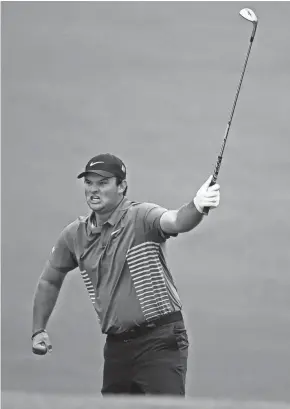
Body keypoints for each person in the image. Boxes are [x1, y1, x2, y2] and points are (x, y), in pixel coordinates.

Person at [32, 153, 220, 396]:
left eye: (103, 183)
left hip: (160, 340)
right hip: (117, 348)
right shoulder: (74, 235)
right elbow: (50, 278)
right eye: (88, 183)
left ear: (122, 186)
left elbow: (175, 221)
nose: (93, 190)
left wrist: (197, 206)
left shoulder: (141, 217)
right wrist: (39, 329)